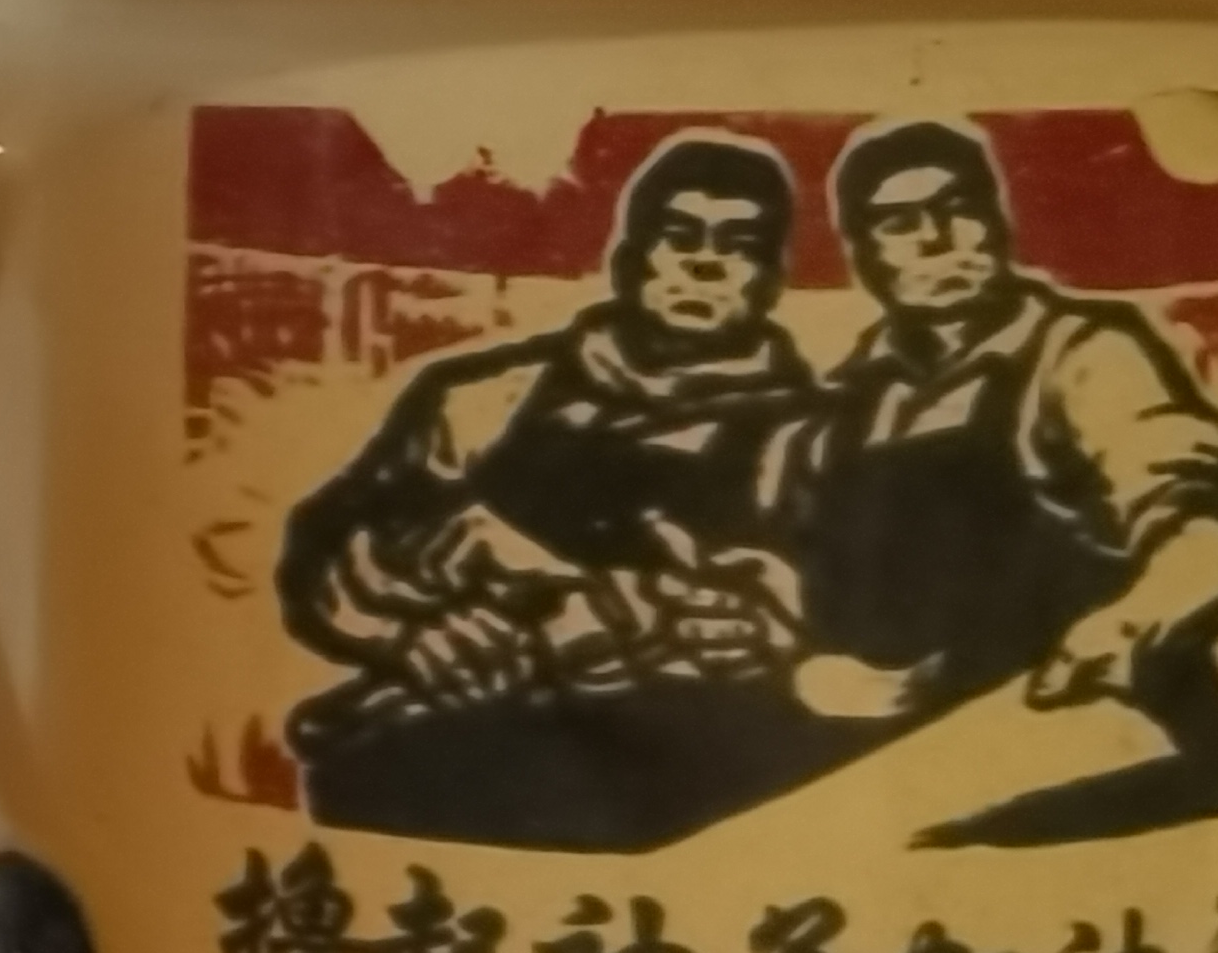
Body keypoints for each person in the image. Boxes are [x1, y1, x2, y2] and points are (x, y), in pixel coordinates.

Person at [280, 135, 835, 847]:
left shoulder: (818, 437)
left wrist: (767, 630)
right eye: (679, 236)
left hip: (696, 792)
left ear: (772, 276)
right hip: (444, 764)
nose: (705, 263)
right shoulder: (484, 396)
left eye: (738, 245)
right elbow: (324, 546)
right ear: (630, 256)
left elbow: (847, 615)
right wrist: (407, 635)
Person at [781, 120, 1218, 842]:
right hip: (950, 756)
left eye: (958, 208)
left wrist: (1132, 623)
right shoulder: (852, 398)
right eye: (900, 223)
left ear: (997, 222)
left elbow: (1193, 515)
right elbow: (808, 566)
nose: (936, 238)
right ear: (864, 254)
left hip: (1131, 754)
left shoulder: (1084, 354)